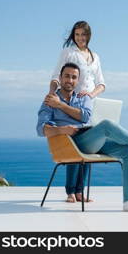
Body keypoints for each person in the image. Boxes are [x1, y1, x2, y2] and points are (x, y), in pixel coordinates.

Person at [37, 63, 128, 213]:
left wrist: (61, 106)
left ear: (78, 80)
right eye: (67, 76)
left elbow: (85, 116)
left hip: (90, 138)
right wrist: (63, 129)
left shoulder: (83, 97)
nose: (70, 80)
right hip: (71, 143)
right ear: (60, 78)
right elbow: (41, 129)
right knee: (107, 124)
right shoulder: (50, 100)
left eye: (74, 77)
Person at [48, 21, 106, 203]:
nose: (80, 38)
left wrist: (90, 94)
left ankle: (81, 191)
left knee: (88, 148)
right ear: (73, 35)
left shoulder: (95, 56)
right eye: (77, 34)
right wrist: (51, 95)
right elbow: (56, 75)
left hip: (90, 105)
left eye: (83, 35)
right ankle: (70, 191)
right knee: (73, 147)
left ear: (89, 36)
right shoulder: (68, 52)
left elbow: (102, 84)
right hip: (72, 103)